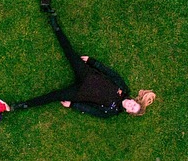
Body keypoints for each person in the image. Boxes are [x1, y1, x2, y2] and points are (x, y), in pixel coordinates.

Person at [10, 12, 155, 117]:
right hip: (87, 74)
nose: (130, 105)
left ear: (129, 112)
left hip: (79, 93)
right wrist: (92, 61)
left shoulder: (111, 112)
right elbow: (110, 73)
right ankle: (55, 25)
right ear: (133, 100)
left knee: (54, 96)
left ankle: (23, 105)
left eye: (131, 109)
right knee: (70, 53)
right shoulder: (123, 88)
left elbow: (91, 109)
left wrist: (73, 104)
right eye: (133, 104)